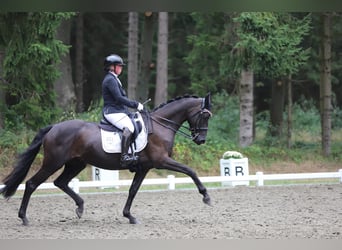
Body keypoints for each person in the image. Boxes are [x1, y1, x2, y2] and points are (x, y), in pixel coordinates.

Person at [102, 54, 143, 167]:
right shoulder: (110, 80)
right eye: (119, 66)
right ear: (111, 67)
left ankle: (132, 152)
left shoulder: (114, 79)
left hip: (118, 110)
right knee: (129, 127)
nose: (121, 68)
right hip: (112, 112)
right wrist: (135, 104)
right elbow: (119, 98)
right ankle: (124, 157)